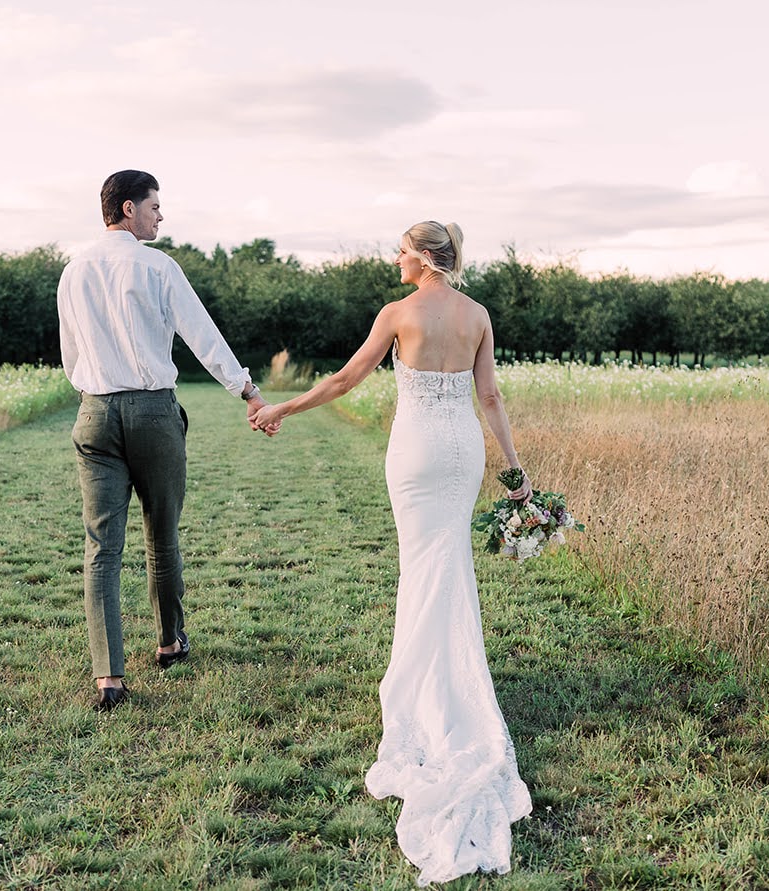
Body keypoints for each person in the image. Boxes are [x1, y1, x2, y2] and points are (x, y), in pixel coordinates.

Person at [251, 220, 533, 885]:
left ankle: (425, 689)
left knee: (423, 568)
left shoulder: (398, 314)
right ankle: (448, 684)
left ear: (424, 255)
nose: (394, 259)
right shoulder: (477, 315)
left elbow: (349, 377)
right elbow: (488, 396)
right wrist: (516, 471)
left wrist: (285, 407)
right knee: (448, 564)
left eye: (400, 249)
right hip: (461, 449)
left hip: (414, 452)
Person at [57, 169, 271, 712]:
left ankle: (108, 675)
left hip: (94, 414)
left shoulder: (74, 270)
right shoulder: (157, 266)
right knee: (162, 533)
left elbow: (72, 355)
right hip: (152, 411)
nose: (160, 214)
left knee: (101, 547)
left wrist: (98, 394)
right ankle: (170, 641)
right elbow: (203, 336)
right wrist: (246, 389)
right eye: (154, 205)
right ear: (128, 209)